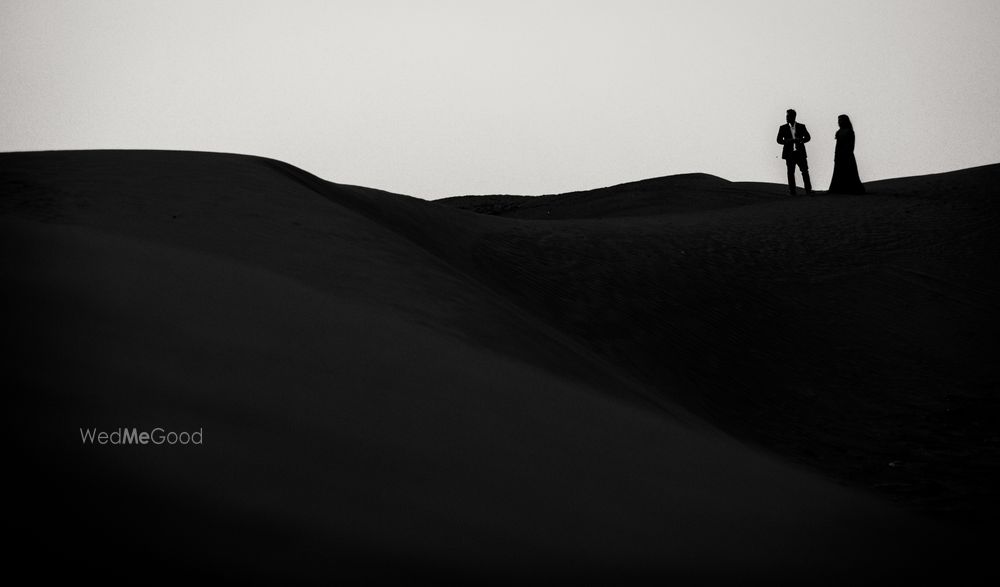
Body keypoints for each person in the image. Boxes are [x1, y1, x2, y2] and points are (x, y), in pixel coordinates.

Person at [776, 109, 813, 195]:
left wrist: (801, 140)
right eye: (787, 116)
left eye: (788, 116)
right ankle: (792, 191)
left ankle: (808, 190)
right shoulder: (783, 128)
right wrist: (788, 141)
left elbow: (808, 137)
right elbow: (778, 140)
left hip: (800, 153)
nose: (787, 117)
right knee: (790, 173)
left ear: (793, 117)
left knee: (804, 171)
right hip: (789, 154)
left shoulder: (801, 126)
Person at [828, 114, 866, 194]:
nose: (839, 122)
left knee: (850, 172)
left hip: (847, 155)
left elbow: (851, 145)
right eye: (838, 120)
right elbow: (837, 145)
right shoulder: (839, 132)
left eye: (840, 120)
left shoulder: (849, 131)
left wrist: (847, 154)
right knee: (838, 173)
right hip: (839, 155)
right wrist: (836, 155)